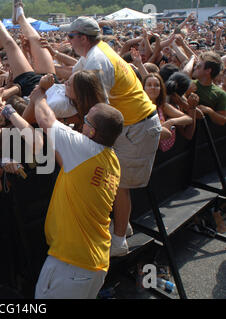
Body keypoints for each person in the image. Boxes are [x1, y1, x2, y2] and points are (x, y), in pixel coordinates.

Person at [60, 16, 162, 257]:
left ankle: (119, 242)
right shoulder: (94, 53)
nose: (68, 41)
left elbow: (99, 109)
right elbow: (71, 75)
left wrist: (67, 120)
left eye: (70, 37)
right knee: (115, 182)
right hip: (132, 126)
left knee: (121, 185)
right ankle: (122, 226)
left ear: (83, 38)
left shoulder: (98, 61)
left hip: (137, 127)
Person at [30, 83, 124, 298]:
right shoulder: (112, 159)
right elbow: (66, 162)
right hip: (94, 262)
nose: (82, 121)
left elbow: (46, 120)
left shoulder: (84, 149)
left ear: (92, 131)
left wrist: (38, 97)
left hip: (71, 264)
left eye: (86, 119)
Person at [142, 73, 196, 152]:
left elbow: (189, 119)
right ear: (143, 88)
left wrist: (171, 121)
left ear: (161, 89)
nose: (153, 88)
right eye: (149, 85)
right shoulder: (139, 106)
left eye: (157, 85)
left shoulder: (163, 106)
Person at [190, 51, 226, 126]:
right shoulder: (190, 84)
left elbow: (223, 120)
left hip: (204, 135)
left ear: (208, 70)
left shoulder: (220, 94)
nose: (195, 67)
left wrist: (210, 111)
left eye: (199, 66)